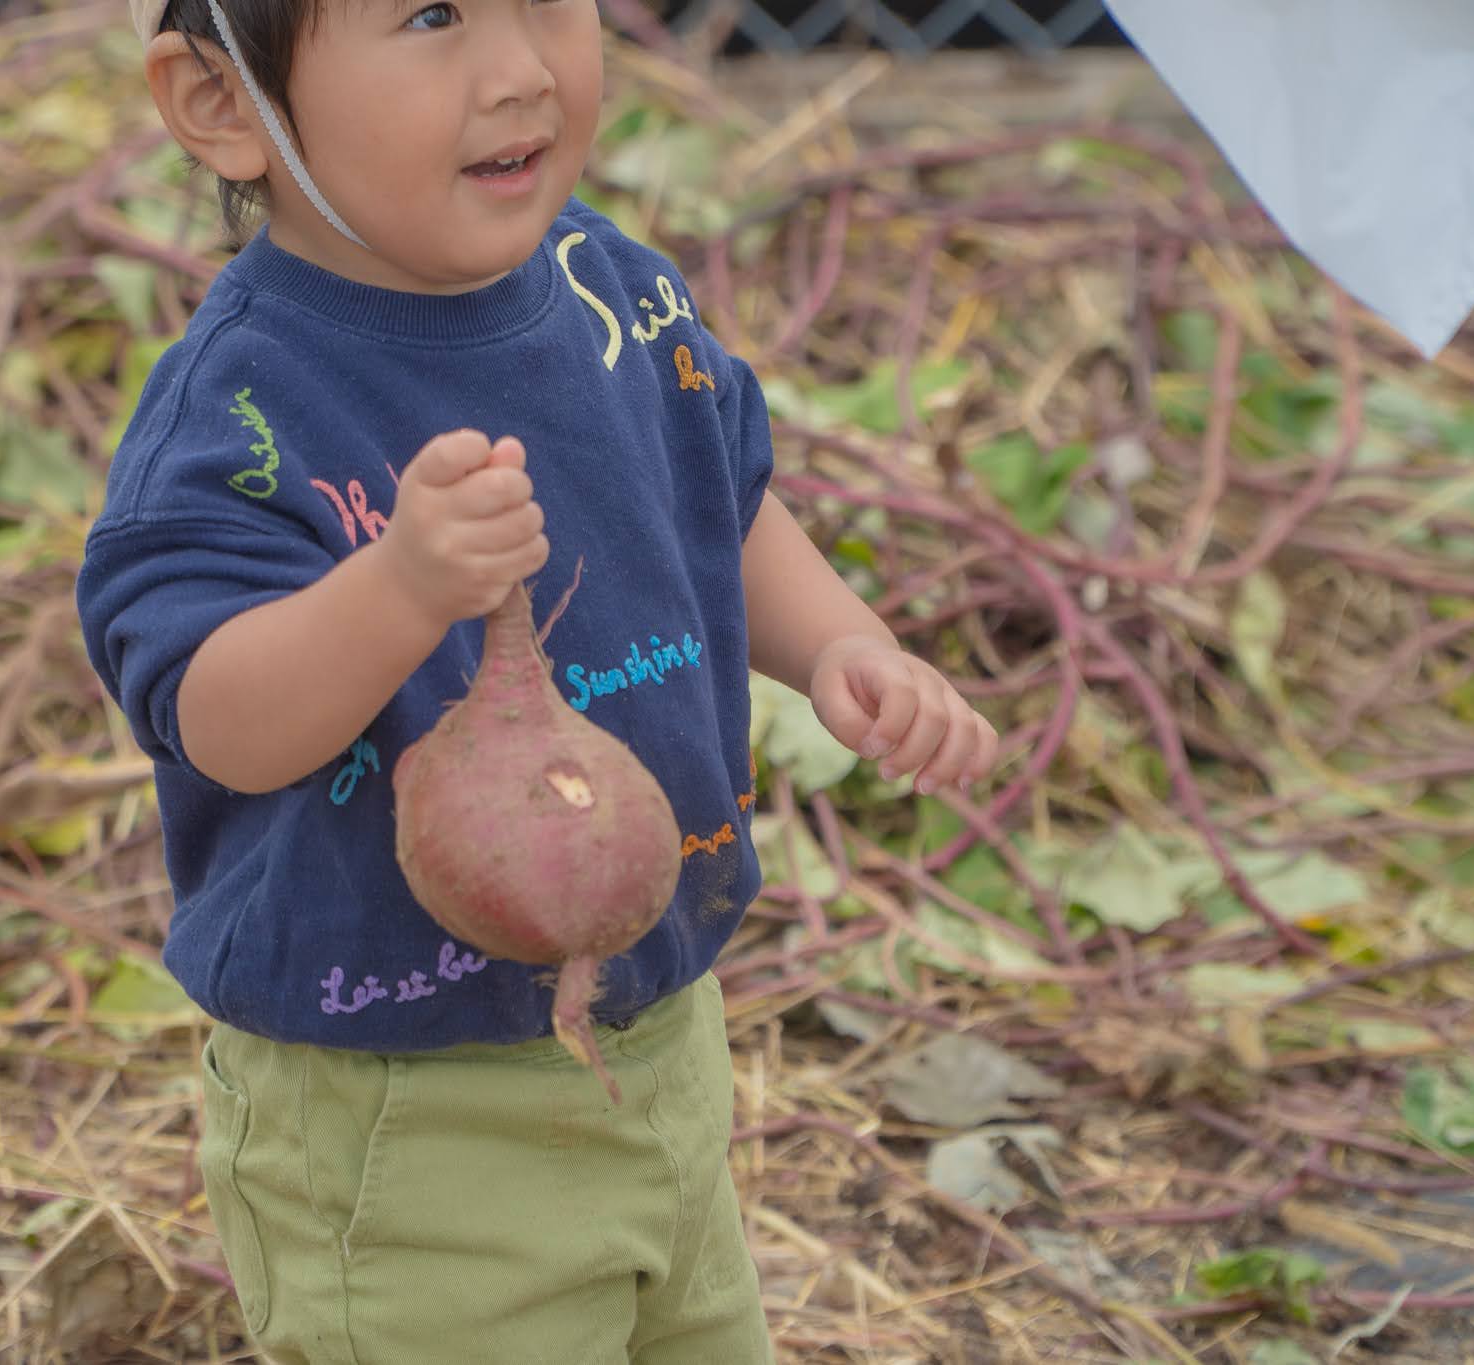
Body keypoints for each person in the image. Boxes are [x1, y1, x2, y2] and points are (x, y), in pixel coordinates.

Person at [76, 0, 999, 1359]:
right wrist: (397, 589)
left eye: (552, 2)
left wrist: (844, 644)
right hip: (402, 1112)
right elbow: (219, 722)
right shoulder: (242, 411)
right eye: (436, 14)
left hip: (662, 1034)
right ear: (222, 104)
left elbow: (721, 499)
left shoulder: (615, 291)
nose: (521, 71)